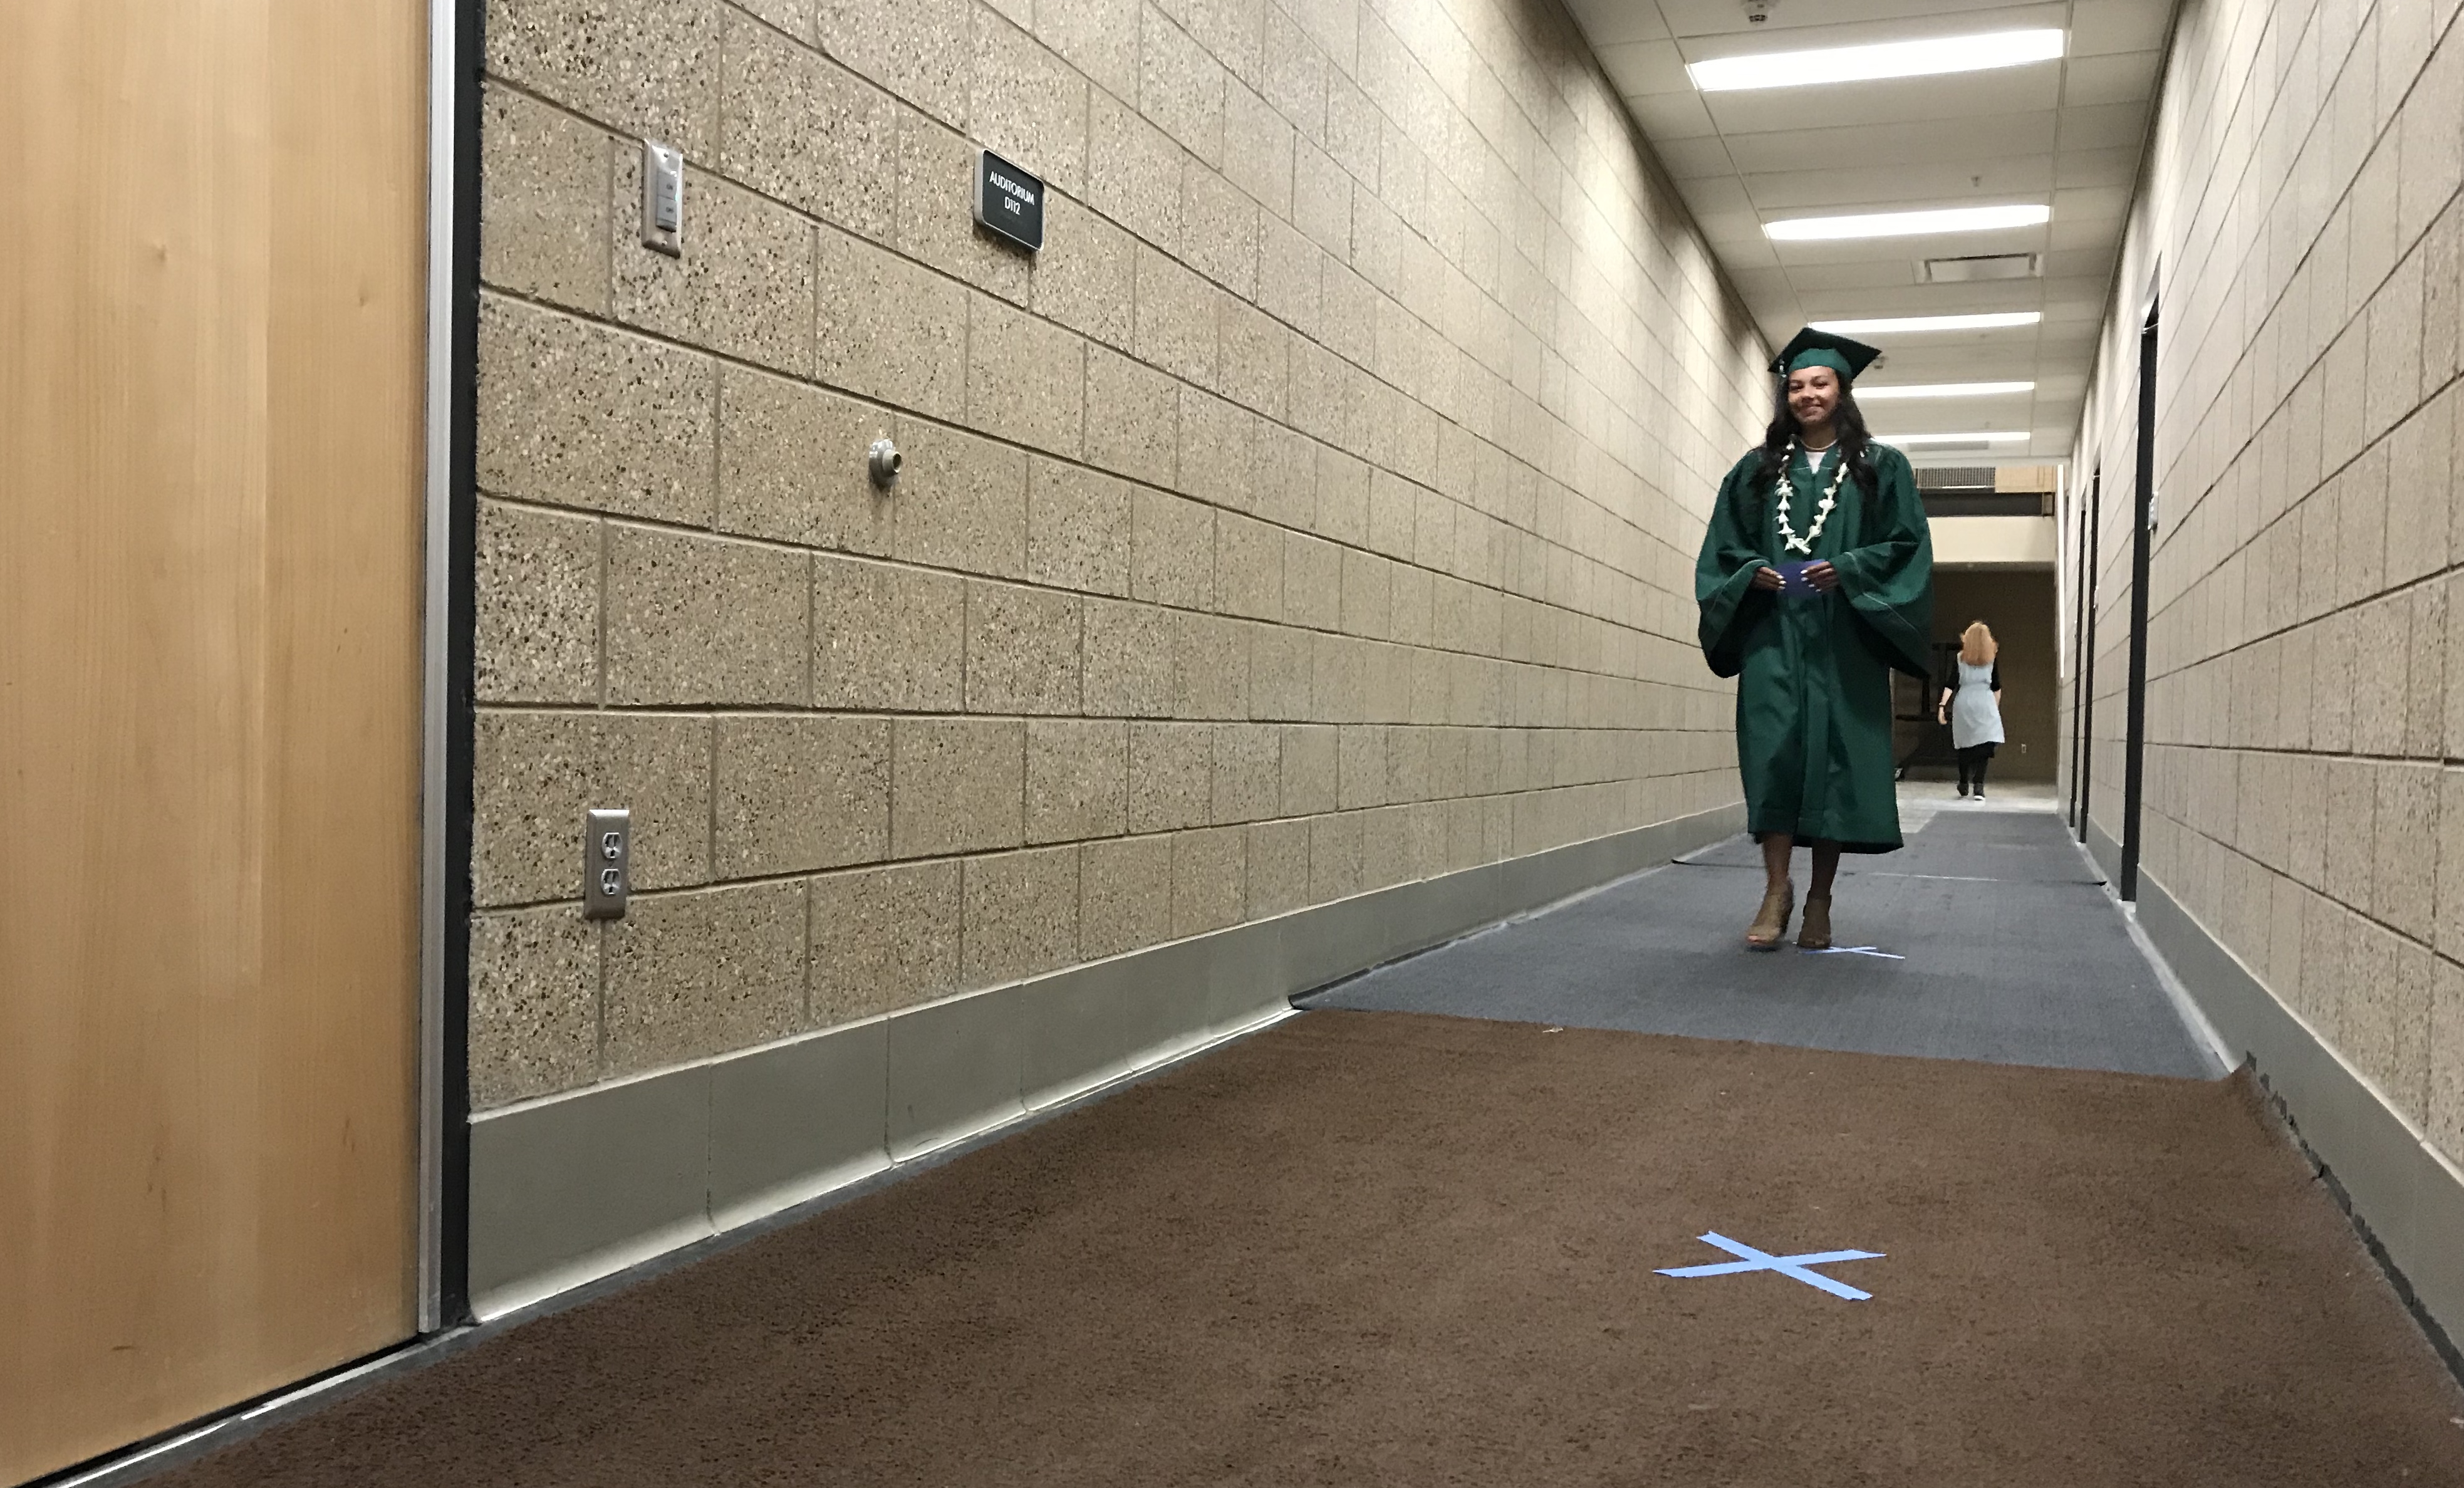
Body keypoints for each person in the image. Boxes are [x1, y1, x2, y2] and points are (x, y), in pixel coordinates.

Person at [1695, 328, 1935, 951]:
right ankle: (1777, 892)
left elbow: (1907, 546)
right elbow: (1723, 549)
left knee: (1835, 765)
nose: (1807, 394)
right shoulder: (1754, 472)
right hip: (1774, 637)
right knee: (1775, 757)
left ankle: (1821, 900)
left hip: (1845, 638)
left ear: (1842, 390)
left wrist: (1849, 568)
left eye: (1819, 383)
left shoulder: (1882, 469)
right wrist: (1755, 573)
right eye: (1796, 385)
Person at [1937, 622, 2005, 798]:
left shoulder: (1960, 659)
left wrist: (1942, 706)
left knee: (1964, 744)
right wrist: (1994, 708)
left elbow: (1951, 683)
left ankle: (1963, 782)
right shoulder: (1991, 660)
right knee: (1986, 743)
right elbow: (1997, 687)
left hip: (1964, 703)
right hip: (1985, 702)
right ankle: (1979, 785)